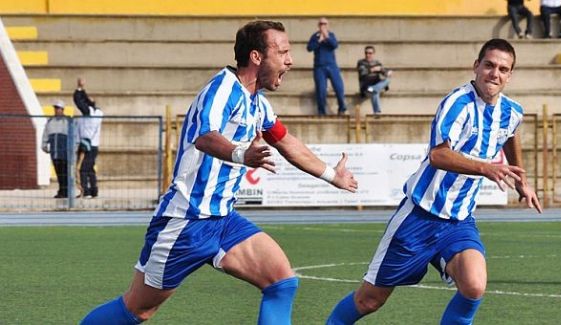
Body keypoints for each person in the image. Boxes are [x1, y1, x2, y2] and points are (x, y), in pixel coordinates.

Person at [80, 20, 358, 324]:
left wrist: (333, 175)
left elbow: (286, 142)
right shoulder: (223, 89)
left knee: (281, 282)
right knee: (138, 309)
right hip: (186, 221)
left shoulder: (258, 104)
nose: (290, 60)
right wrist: (242, 154)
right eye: (283, 52)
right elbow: (205, 136)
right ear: (256, 57)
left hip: (223, 220)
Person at [326, 38, 542, 325]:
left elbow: (511, 134)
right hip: (419, 217)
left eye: (503, 69)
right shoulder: (457, 103)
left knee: (474, 285)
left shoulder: (511, 111)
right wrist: (484, 168)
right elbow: (439, 155)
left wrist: (520, 180)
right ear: (476, 66)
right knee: (370, 300)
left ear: (510, 75)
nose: (495, 74)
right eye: (489, 65)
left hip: (459, 221)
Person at [307, 17, 348, 115]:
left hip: (332, 66)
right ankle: (322, 112)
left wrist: (326, 37)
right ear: (318, 25)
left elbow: (335, 45)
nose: (323, 26)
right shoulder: (315, 36)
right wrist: (319, 40)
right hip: (319, 67)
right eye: (321, 24)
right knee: (321, 90)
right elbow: (309, 48)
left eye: (325, 24)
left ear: (328, 25)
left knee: (339, 88)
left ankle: (342, 108)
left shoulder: (331, 35)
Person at [74, 78, 103, 198]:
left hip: (88, 146)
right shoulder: (98, 112)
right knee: (90, 169)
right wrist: (84, 92)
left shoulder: (89, 112)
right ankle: (94, 191)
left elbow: (78, 101)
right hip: (93, 145)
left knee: (83, 169)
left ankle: (85, 191)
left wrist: (79, 88)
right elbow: (85, 101)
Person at [41, 100, 70, 198]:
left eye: (58, 108)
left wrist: (73, 148)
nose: (56, 110)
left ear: (62, 109)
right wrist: (44, 145)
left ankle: (65, 191)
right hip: (54, 151)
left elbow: (73, 136)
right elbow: (46, 134)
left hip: (65, 152)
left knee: (64, 172)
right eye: (55, 108)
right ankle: (62, 191)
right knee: (59, 172)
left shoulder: (68, 121)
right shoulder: (50, 121)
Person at [356, 46, 391, 115]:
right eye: (366, 53)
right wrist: (373, 69)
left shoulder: (377, 62)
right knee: (374, 92)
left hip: (375, 85)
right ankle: (377, 112)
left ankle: (374, 89)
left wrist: (388, 72)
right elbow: (363, 72)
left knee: (387, 80)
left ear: (373, 54)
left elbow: (384, 71)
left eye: (370, 53)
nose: (367, 55)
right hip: (366, 87)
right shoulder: (361, 62)